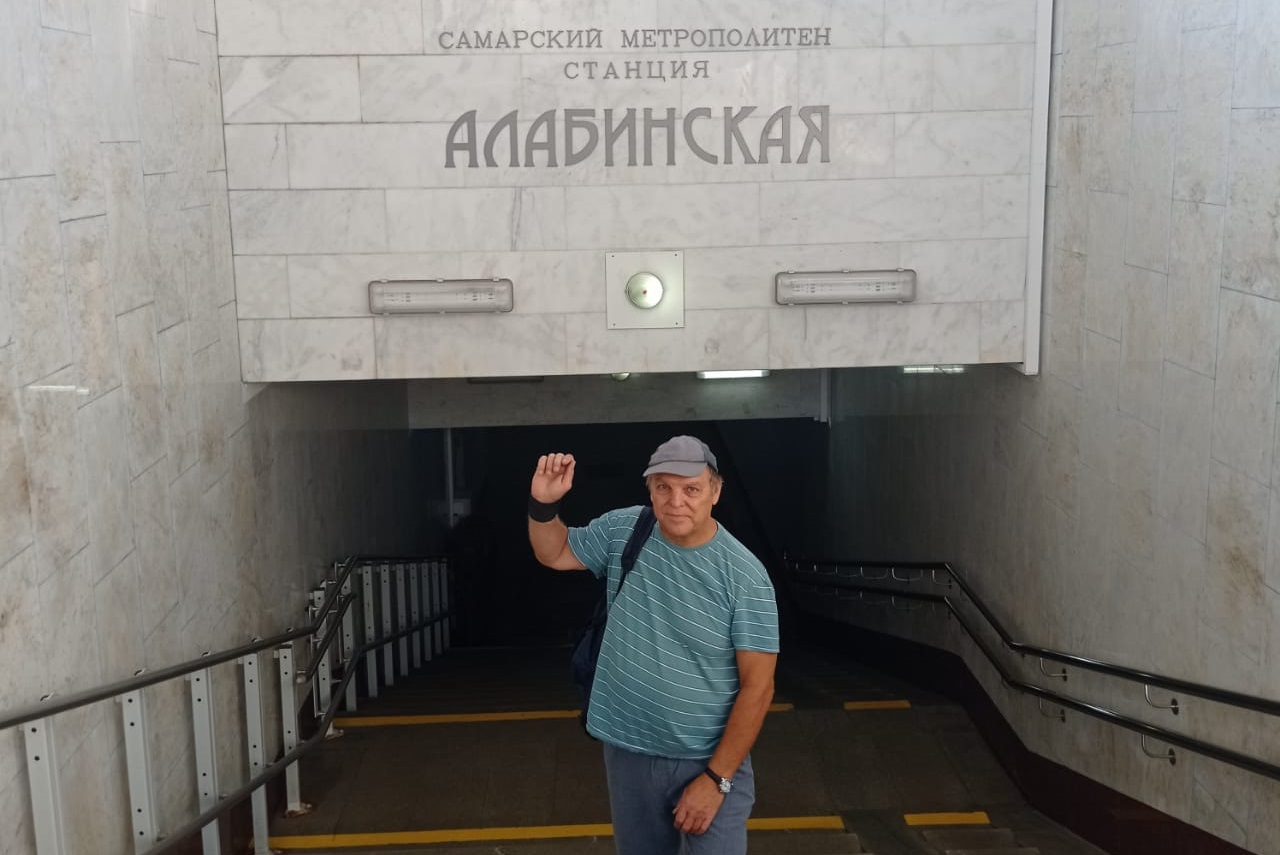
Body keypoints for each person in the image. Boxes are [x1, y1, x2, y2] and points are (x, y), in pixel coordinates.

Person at [527, 435, 780, 855]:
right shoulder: (627, 530)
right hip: (627, 751)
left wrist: (716, 780)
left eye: (691, 489)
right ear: (650, 490)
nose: (676, 501)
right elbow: (554, 553)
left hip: (707, 759)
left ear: (715, 492)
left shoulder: (745, 577)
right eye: (664, 487)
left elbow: (759, 687)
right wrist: (543, 505)